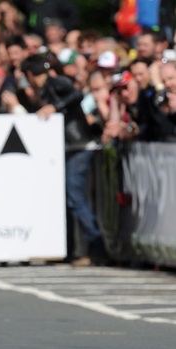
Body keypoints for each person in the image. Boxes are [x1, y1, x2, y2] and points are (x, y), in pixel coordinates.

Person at [22, 53, 106, 265]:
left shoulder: (56, 81)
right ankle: (67, 250)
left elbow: (77, 95)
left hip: (78, 144)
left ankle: (96, 248)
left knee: (75, 196)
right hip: (67, 147)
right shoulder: (43, 89)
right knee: (64, 200)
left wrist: (55, 106)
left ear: (30, 74)